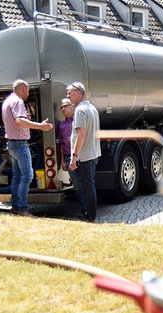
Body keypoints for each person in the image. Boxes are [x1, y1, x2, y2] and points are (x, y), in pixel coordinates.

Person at [2, 79, 53, 217]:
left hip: (12, 144)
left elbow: (16, 120)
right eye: (28, 91)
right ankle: (23, 209)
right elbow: (19, 121)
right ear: (23, 89)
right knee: (27, 175)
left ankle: (15, 207)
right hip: (20, 144)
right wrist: (40, 126)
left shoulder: (8, 101)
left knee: (17, 176)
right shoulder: (18, 101)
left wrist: (27, 119)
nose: (28, 94)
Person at [66, 82, 101, 222]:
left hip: (85, 156)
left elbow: (81, 135)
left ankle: (90, 217)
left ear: (79, 92)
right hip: (93, 153)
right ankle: (89, 214)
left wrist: (74, 157)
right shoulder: (92, 108)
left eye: (70, 93)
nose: (67, 96)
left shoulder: (80, 110)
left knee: (87, 187)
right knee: (90, 186)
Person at [58, 98, 85, 214]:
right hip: (69, 158)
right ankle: (84, 209)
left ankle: (90, 208)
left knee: (87, 182)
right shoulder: (62, 125)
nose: (64, 109)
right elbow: (60, 144)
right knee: (77, 185)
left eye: (66, 106)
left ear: (73, 106)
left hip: (83, 156)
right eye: (62, 107)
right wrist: (62, 161)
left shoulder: (79, 121)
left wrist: (74, 140)